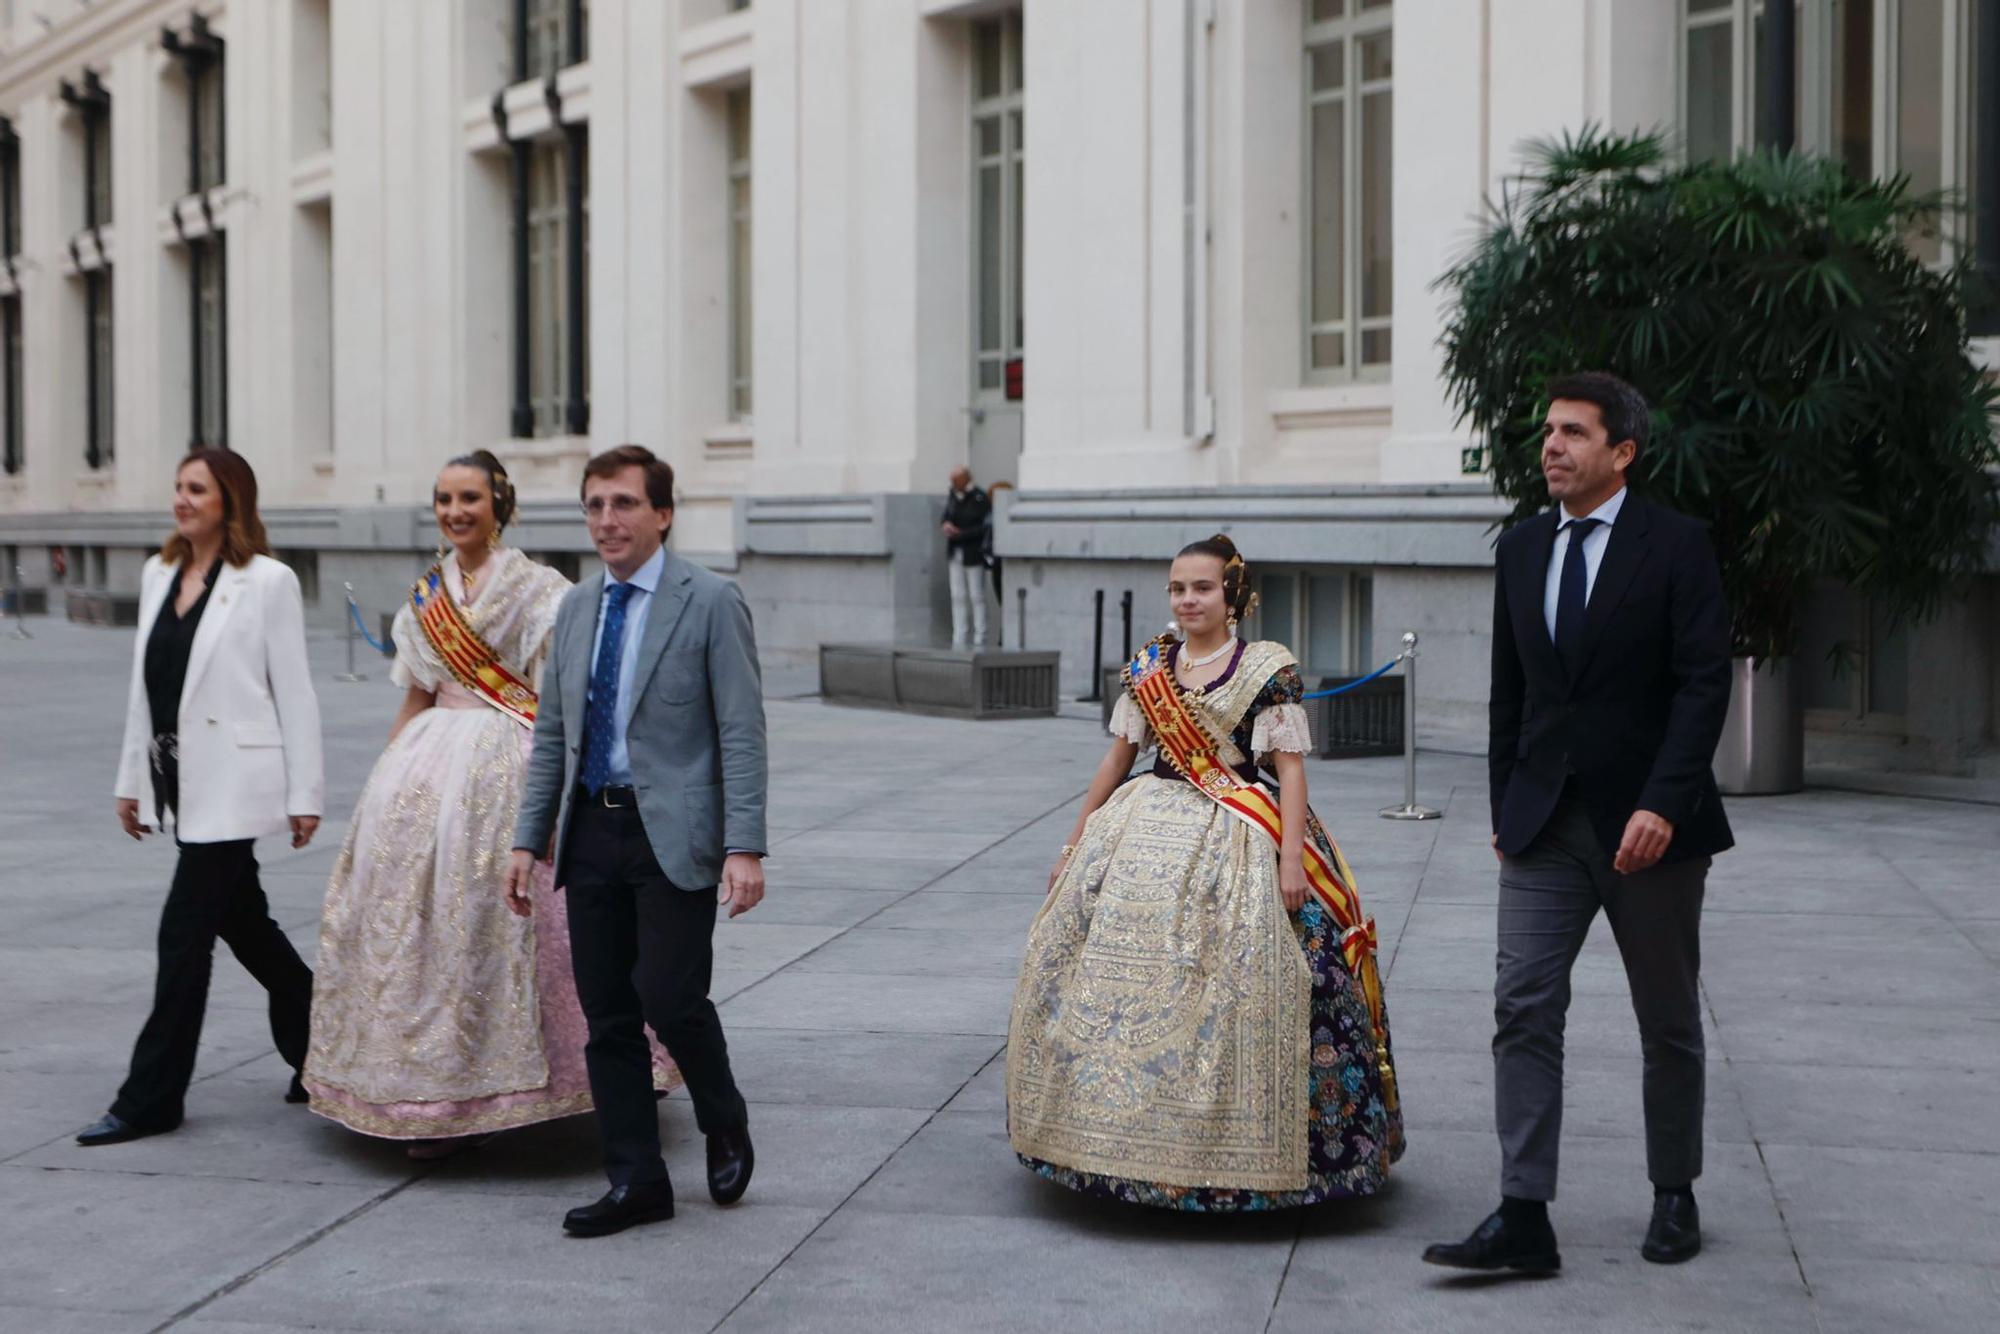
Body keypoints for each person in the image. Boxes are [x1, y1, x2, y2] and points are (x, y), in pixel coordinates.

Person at [1424, 371, 1733, 1274]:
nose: (1551, 446)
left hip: (1650, 833)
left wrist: (1663, 803)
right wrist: (1501, 803)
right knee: (1522, 1006)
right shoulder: (1522, 548)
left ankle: (1674, 1193)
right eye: (1548, 432)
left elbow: (1702, 685)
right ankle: (1526, 1218)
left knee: (1667, 1018)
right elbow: (1508, 692)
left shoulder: (1676, 545)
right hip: (1545, 824)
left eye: (1572, 433)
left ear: (1622, 452)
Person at [1007, 534, 1404, 1209]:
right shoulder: (1149, 669)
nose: (1188, 600)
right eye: (1178, 588)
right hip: (1144, 820)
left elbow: (1290, 771)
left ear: (1233, 595)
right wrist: (1076, 842)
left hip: (1241, 828)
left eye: (1202, 588)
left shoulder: (1266, 669)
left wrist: (1288, 860)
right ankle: (1104, 1145)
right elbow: (1117, 759)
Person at [302, 451, 676, 1159]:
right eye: (444, 499)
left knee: (536, 924)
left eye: (469, 497)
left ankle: (604, 1072)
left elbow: (562, 694)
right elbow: (415, 693)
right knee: (415, 924)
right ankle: (428, 1096)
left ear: (499, 504)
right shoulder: (424, 598)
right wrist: (389, 778)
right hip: (427, 764)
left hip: (513, 760)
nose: (455, 512)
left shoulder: (539, 590)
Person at [508, 444, 768, 1238]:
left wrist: (745, 845)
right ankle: (636, 1179)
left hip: (674, 835)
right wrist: (529, 837)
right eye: (594, 505)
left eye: (623, 503)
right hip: (591, 830)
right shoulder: (577, 607)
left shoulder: (711, 601)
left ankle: (723, 1112)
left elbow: (741, 731)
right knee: (608, 1012)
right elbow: (553, 732)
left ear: (662, 513)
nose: (606, 520)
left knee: (669, 995)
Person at [80, 449, 322, 1146]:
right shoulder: (159, 573)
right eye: (178, 487)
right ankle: (324, 1049)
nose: (182, 500)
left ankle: (150, 1098)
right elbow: (146, 689)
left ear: (230, 500)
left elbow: (295, 691)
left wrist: (305, 791)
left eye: (197, 489)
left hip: (236, 783)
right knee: (248, 928)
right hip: (178, 780)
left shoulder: (266, 581)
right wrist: (131, 782)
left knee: (182, 936)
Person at [941, 467, 991, 649]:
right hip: (956, 552)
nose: (953, 485)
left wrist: (961, 533)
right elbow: (946, 515)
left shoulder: (979, 498)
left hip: (973, 553)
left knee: (976, 595)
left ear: (964, 480)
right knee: (957, 595)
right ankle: (959, 633)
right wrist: (946, 525)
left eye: (955, 481)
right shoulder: (953, 496)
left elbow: (984, 527)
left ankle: (980, 635)